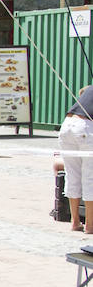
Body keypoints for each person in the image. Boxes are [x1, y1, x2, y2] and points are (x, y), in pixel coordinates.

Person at [59, 85, 93, 233]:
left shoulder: (88, 91)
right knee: (89, 176)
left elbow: (83, 90)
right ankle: (90, 225)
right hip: (85, 127)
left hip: (67, 126)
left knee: (72, 174)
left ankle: (75, 221)